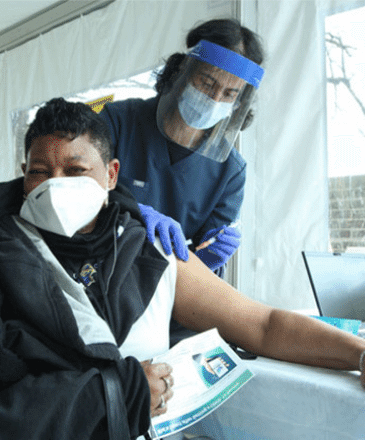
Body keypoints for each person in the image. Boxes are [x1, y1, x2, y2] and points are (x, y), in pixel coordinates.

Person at [0, 98, 365, 440]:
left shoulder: (150, 251)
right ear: (22, 177)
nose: (56, 185)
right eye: (40, 172)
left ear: (112, 174)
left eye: (77, 169)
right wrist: (114, 397)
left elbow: (261, 325)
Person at [99, 18, 264, 275]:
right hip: (103, 274)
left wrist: (207, 260)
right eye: (207, 83)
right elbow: (78, 194)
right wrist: (132, 211)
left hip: (172, 293)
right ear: (181, 72)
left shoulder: (230, 172)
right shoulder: (117, 122)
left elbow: (204, 268)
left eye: (230, 94)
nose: (214, 100)